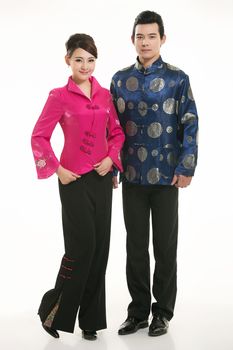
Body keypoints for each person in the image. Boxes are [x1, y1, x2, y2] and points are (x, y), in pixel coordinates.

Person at [31, 33, 125, 341]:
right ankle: (52, 311)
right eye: (79, 59)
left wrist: (112, 159)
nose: (85, 65)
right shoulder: (59, 96)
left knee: (99, 250)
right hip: (72, 181)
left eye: (91, 60)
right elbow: (39, 136)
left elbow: (117, 135)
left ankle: (91, 321)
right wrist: (57, 170)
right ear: (68, 60)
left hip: (101, 181)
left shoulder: (104, 96)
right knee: (81, 247)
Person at [111, 10, 198, 337]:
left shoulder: (178, 79)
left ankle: (162, 312)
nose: (145, 42)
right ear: (132, 39)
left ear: (162, 39)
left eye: (151, 36)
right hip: (132, 175)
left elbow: (190, 123)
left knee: (164, 247)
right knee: (135, 246)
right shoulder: (120, 80)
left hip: (166, 177)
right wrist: (112, 166)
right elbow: (112, 129)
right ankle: (137, 312)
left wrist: (186, 165)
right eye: (140, 36)